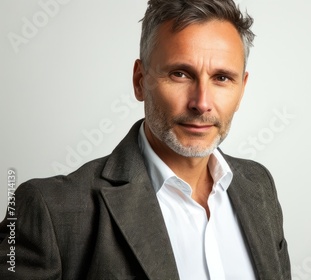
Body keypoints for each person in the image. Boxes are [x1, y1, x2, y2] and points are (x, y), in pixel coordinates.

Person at [0, 0, 291, 279]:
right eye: (180, 74)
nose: (201, 103)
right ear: (140, 80)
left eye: (222, 78)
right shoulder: (51, 209)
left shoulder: (259, 187)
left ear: (242, 89)